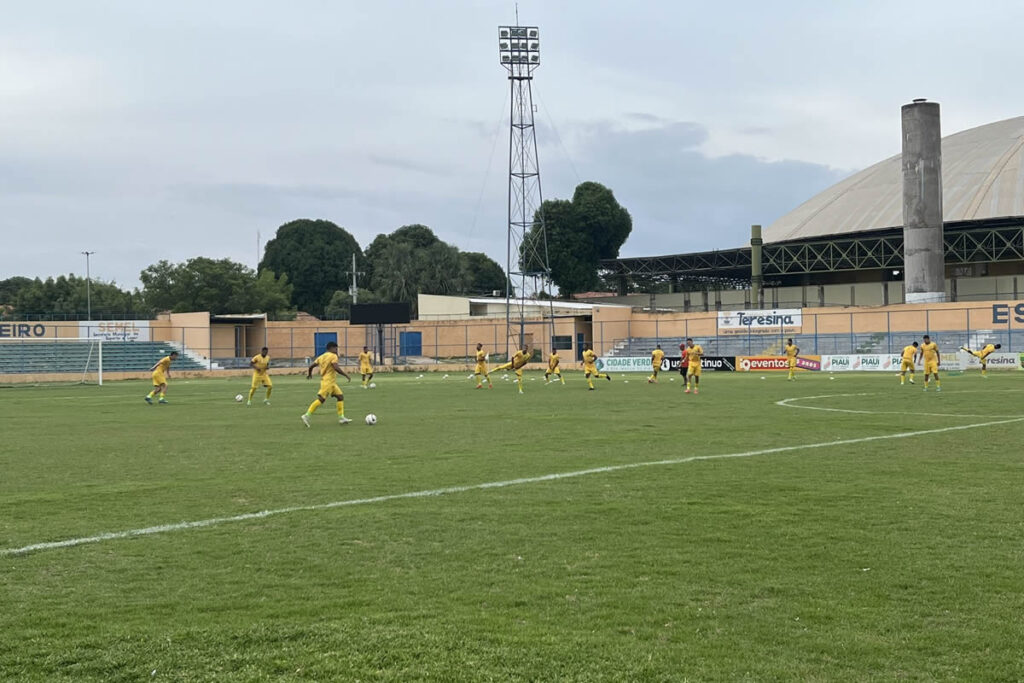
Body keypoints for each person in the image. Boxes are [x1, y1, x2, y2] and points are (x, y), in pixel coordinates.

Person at [301, 341, 352, 427]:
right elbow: (336, 367)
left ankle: (341, 418)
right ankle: (306, 415)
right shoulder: (333, 356)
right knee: (321, 399)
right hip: (328, 382)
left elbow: (311, 366)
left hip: (330, 382)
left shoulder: (321, 357)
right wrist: (346, 375)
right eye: (336, 348)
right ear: (331, 348)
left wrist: (309, 374)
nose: (336, 350)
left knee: (340, 397)